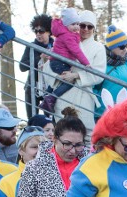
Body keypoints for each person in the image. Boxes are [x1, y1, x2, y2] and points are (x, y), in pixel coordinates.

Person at [44, 10, 105, 138]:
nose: (85, 29)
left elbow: (99, 73)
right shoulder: (62, 40)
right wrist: (57, 76)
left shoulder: (98, 47)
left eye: (90, 26)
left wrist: (76, 76)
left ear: (94, 29)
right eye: (82, 25)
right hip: (63, 93)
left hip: (84, 95)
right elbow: (48, 66)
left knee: (87, 134)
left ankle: (86, 158)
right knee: (63, 133)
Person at [39, 9, 90, 112]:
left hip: (58, 61)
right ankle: (51, 98)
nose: (76, 26)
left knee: (61, 80)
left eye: (77, 23)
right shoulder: (68, 36)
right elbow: (76, 51)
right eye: (73, 24)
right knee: (69, 82)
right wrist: (86, 63)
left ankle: (47, 95)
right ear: (66, 25)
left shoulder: (65, 33)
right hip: (60, 63)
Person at [95, 25, 127, 113]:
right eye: (122, 47)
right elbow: (94, 85)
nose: (125, 50)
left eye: (126, 46)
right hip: (104, 112)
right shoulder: (100, 62)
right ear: (111, 47)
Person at [19, 14, 53, 119]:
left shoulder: (57, 46)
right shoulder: (31, 46)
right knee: (33, 119)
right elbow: (22, 66)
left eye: (41, 31)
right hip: (33, 87)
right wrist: (39, 59)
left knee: (51, 120)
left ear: (49, 31)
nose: (38, 34)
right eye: (36, 31)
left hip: (50, 87)